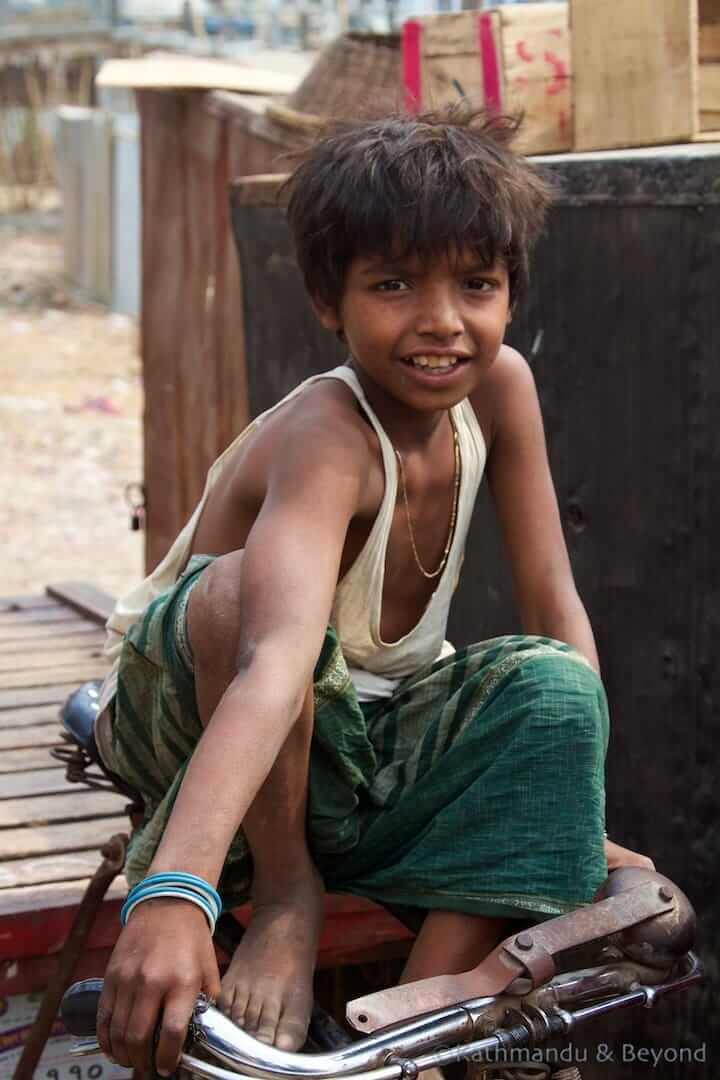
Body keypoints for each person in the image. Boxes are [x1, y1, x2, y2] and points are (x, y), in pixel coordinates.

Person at [93, 107, 652, 1078]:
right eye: (393, 284)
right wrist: (177, 889)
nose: (442, 321)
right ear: (327, 299)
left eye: (475, 285)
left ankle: (409, 1033)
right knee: (249, 604)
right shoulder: (329, 432)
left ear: (511, 291)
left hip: (351, 731)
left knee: (555, 683)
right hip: (191, 707)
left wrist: (562, 798)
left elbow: (554, 606)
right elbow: (271, 662)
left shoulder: (500, 390)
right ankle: (287, 893)